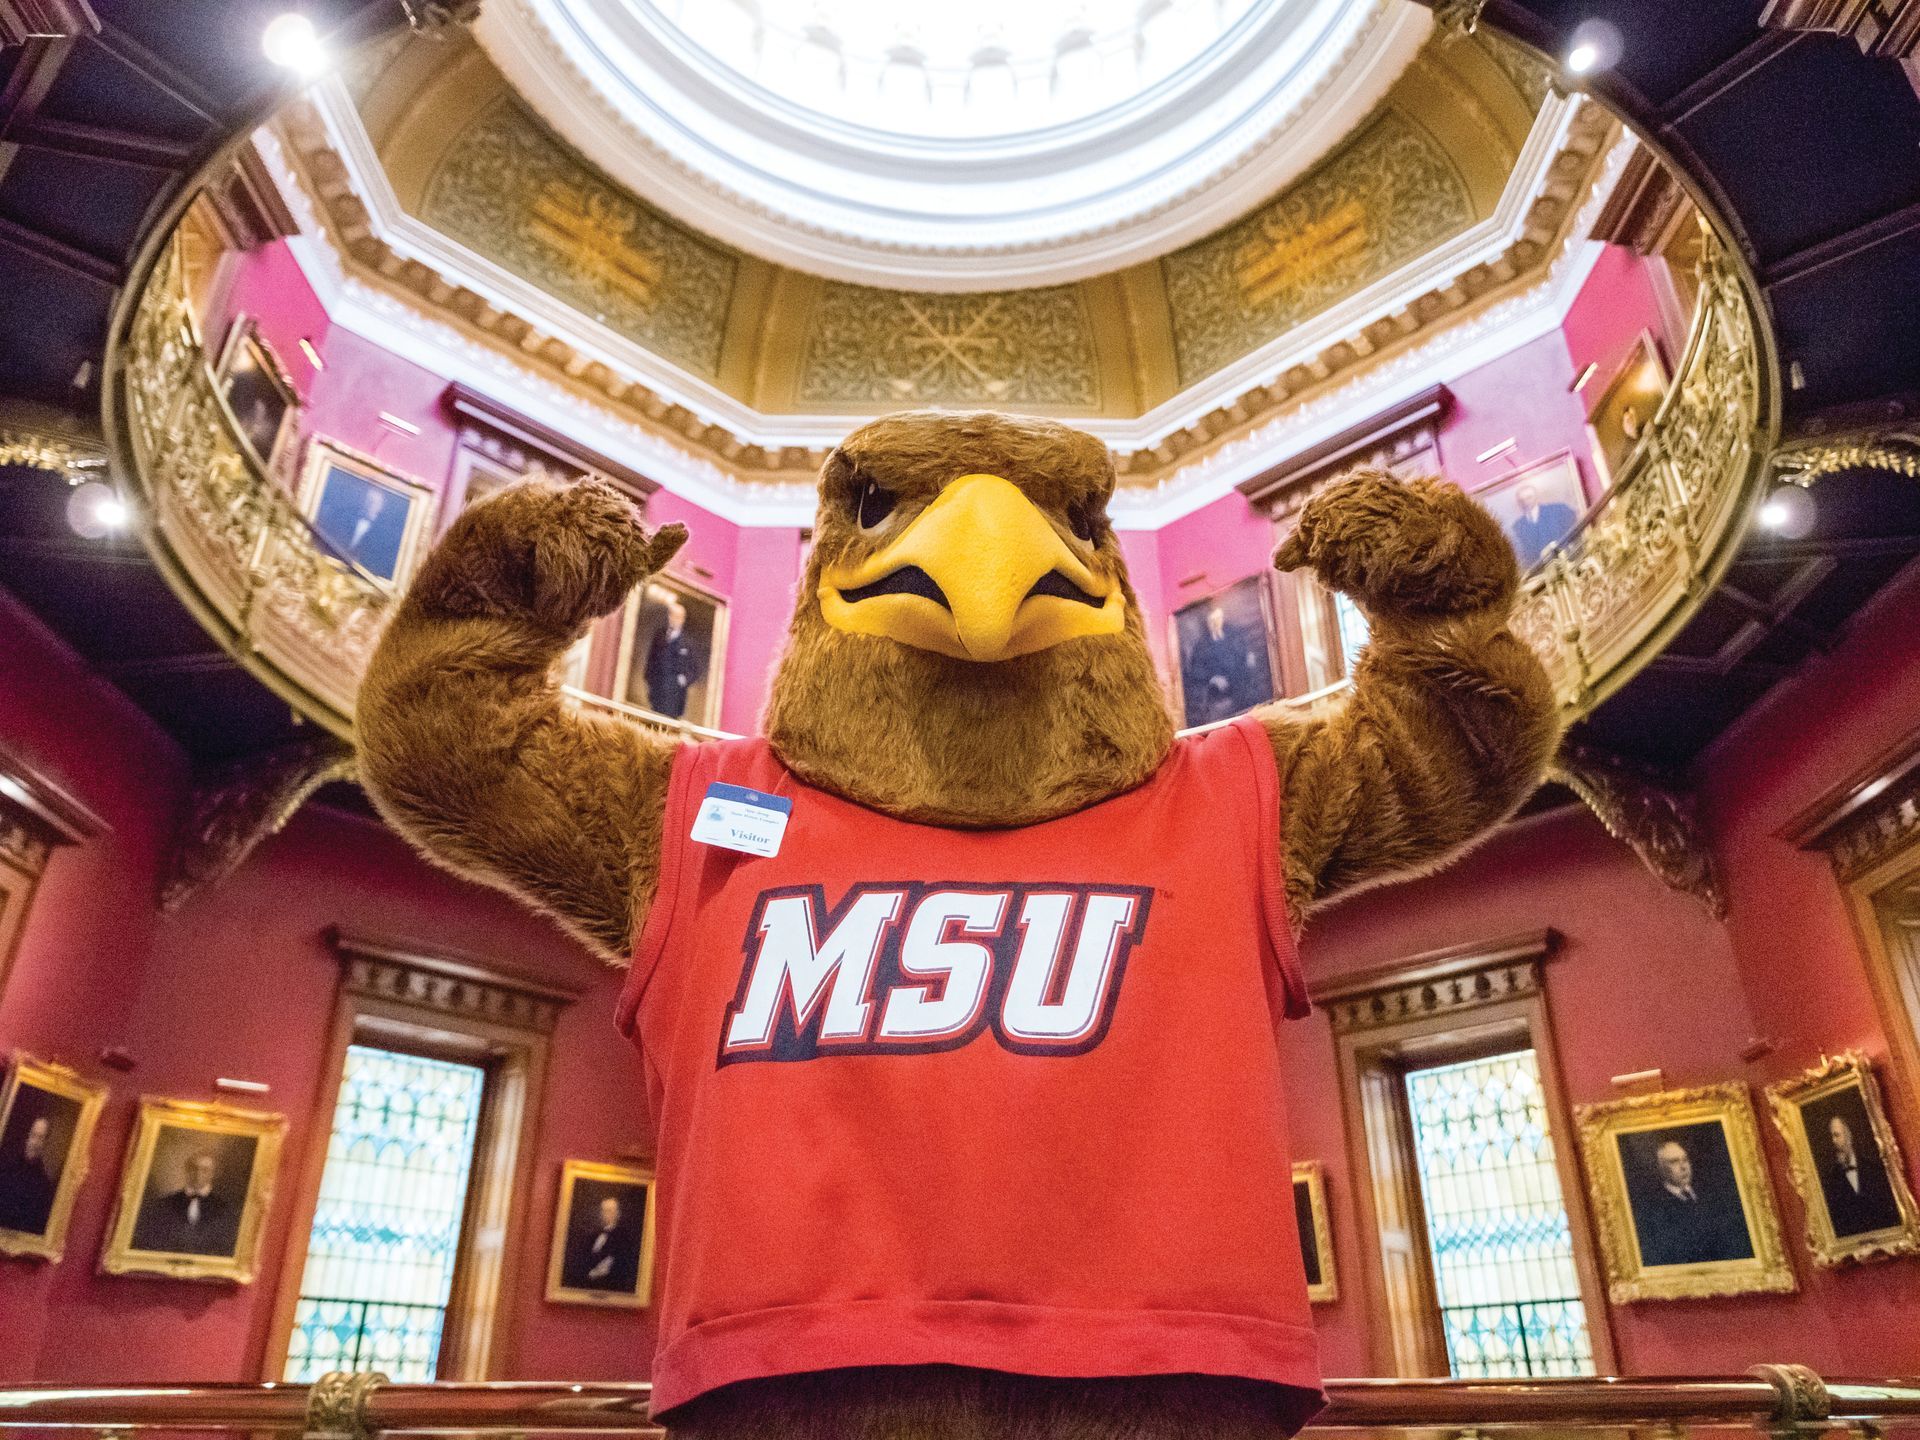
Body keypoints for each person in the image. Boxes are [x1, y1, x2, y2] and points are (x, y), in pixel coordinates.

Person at [1634, 1136, 1753, 1267]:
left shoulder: (1711, 1194)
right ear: (1661, 1168)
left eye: (1685, 1160)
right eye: (1674, 1162)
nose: (1683, 1166)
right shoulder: (1655, 1209)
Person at [132, 1150, 240, 1257]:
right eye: (194, 1168)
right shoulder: (164, 1204)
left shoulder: (225, 1209)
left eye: (205, 1170)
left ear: (213, 1174)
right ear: (187, 1170)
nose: (198, 1174)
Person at [1818, 1112, 1902, 1238]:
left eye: (1837, 1135)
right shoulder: (1831, 1180)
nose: (1833, 1141)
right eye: (1831, 1137)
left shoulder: (1874, 1169)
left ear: (1848, 1136)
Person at [1184, 604, 1253, 724]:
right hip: (1218, 696)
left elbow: (1243, 655)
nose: (1216, 623)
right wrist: (1212, 679)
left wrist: (1248, 656)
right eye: (1213, 620)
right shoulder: (1201, 646)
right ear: (1208, 622)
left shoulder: (1233, 635)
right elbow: (1196, 672)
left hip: (1239, 687)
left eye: (1219, 619)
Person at [643, 597, 705, 720]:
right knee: (654, 719)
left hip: (675, 694)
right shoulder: (660, 635)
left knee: (669, 724)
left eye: (677, 616)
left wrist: (683, 680)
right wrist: (649, 678)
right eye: (671, 615)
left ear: (682, 619)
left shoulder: (688, 643)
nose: (673, 619)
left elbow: (696, 669)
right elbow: (651, 660)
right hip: (657, 688)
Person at [564, 1192, 641, 1292]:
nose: (606, 1214)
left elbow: (622, 1265)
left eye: (609, 1211)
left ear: (618, 1214)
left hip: (610, 1287)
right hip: (586, 1286)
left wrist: (598, 1272)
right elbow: (581, 1259)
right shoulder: (592, 1236)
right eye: (603, 1211)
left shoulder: (624, 1238)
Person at [0, 1115, 57, 1236]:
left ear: (45, 1143)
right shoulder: (5, 1167)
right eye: (33, 1135)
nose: (35, 1142)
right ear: (28, 1136)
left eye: (41, 1138)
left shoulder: (44, 1186)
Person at [1505, 480, 1578, 569]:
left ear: (1536, 497)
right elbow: (1523, 554)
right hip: (1539, 571)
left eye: (1529, 497)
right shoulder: (1518, 526)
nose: (1526, 502)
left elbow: (1575, 532)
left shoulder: (1557, 510)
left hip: (1566, 563)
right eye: (1522, 500)